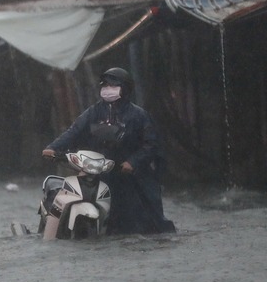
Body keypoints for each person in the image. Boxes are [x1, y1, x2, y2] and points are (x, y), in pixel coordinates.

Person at [42, 67, 176, 235]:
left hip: (132, 176)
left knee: (143, 220)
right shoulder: (94, 112)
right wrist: (53, 148)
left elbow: (151, 144)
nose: (107, 90)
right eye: (105, 86)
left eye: (113, 86)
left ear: (125, 89)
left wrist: (132, 162)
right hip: (102, 172)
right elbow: (74, 131)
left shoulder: (138, 115)